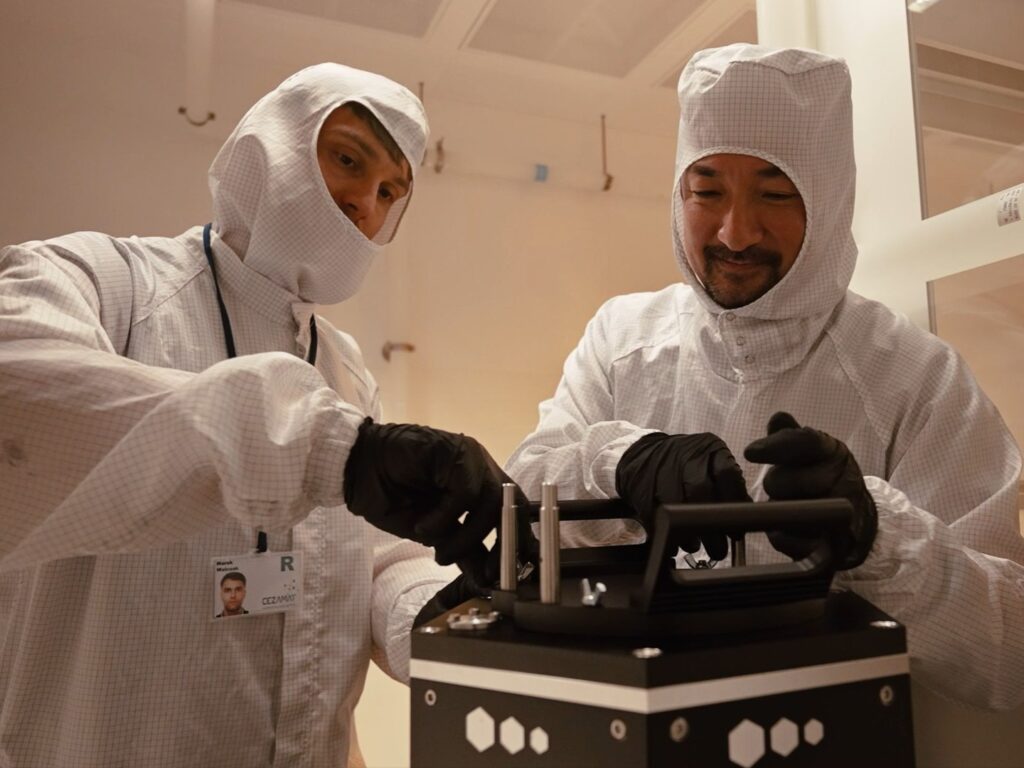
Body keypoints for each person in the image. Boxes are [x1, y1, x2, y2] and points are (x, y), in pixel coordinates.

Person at [0, 63, 512, 766]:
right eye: (348, 159)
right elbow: (22, 401)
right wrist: (324, 450)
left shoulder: (342, 368)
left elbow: (376, 563)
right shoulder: (108, 285)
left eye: (391, 190)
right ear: (274, 144)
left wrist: (446, 619)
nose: (366, 199)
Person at [506, 44, 1024, 711]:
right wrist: (619, 462)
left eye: (775, 194)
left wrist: (875, 537)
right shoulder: (623, 340)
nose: (735, 231)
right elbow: (523, 500)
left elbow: (1010, 651)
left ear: (830, 198)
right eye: (707, 190)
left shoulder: (915, 378)